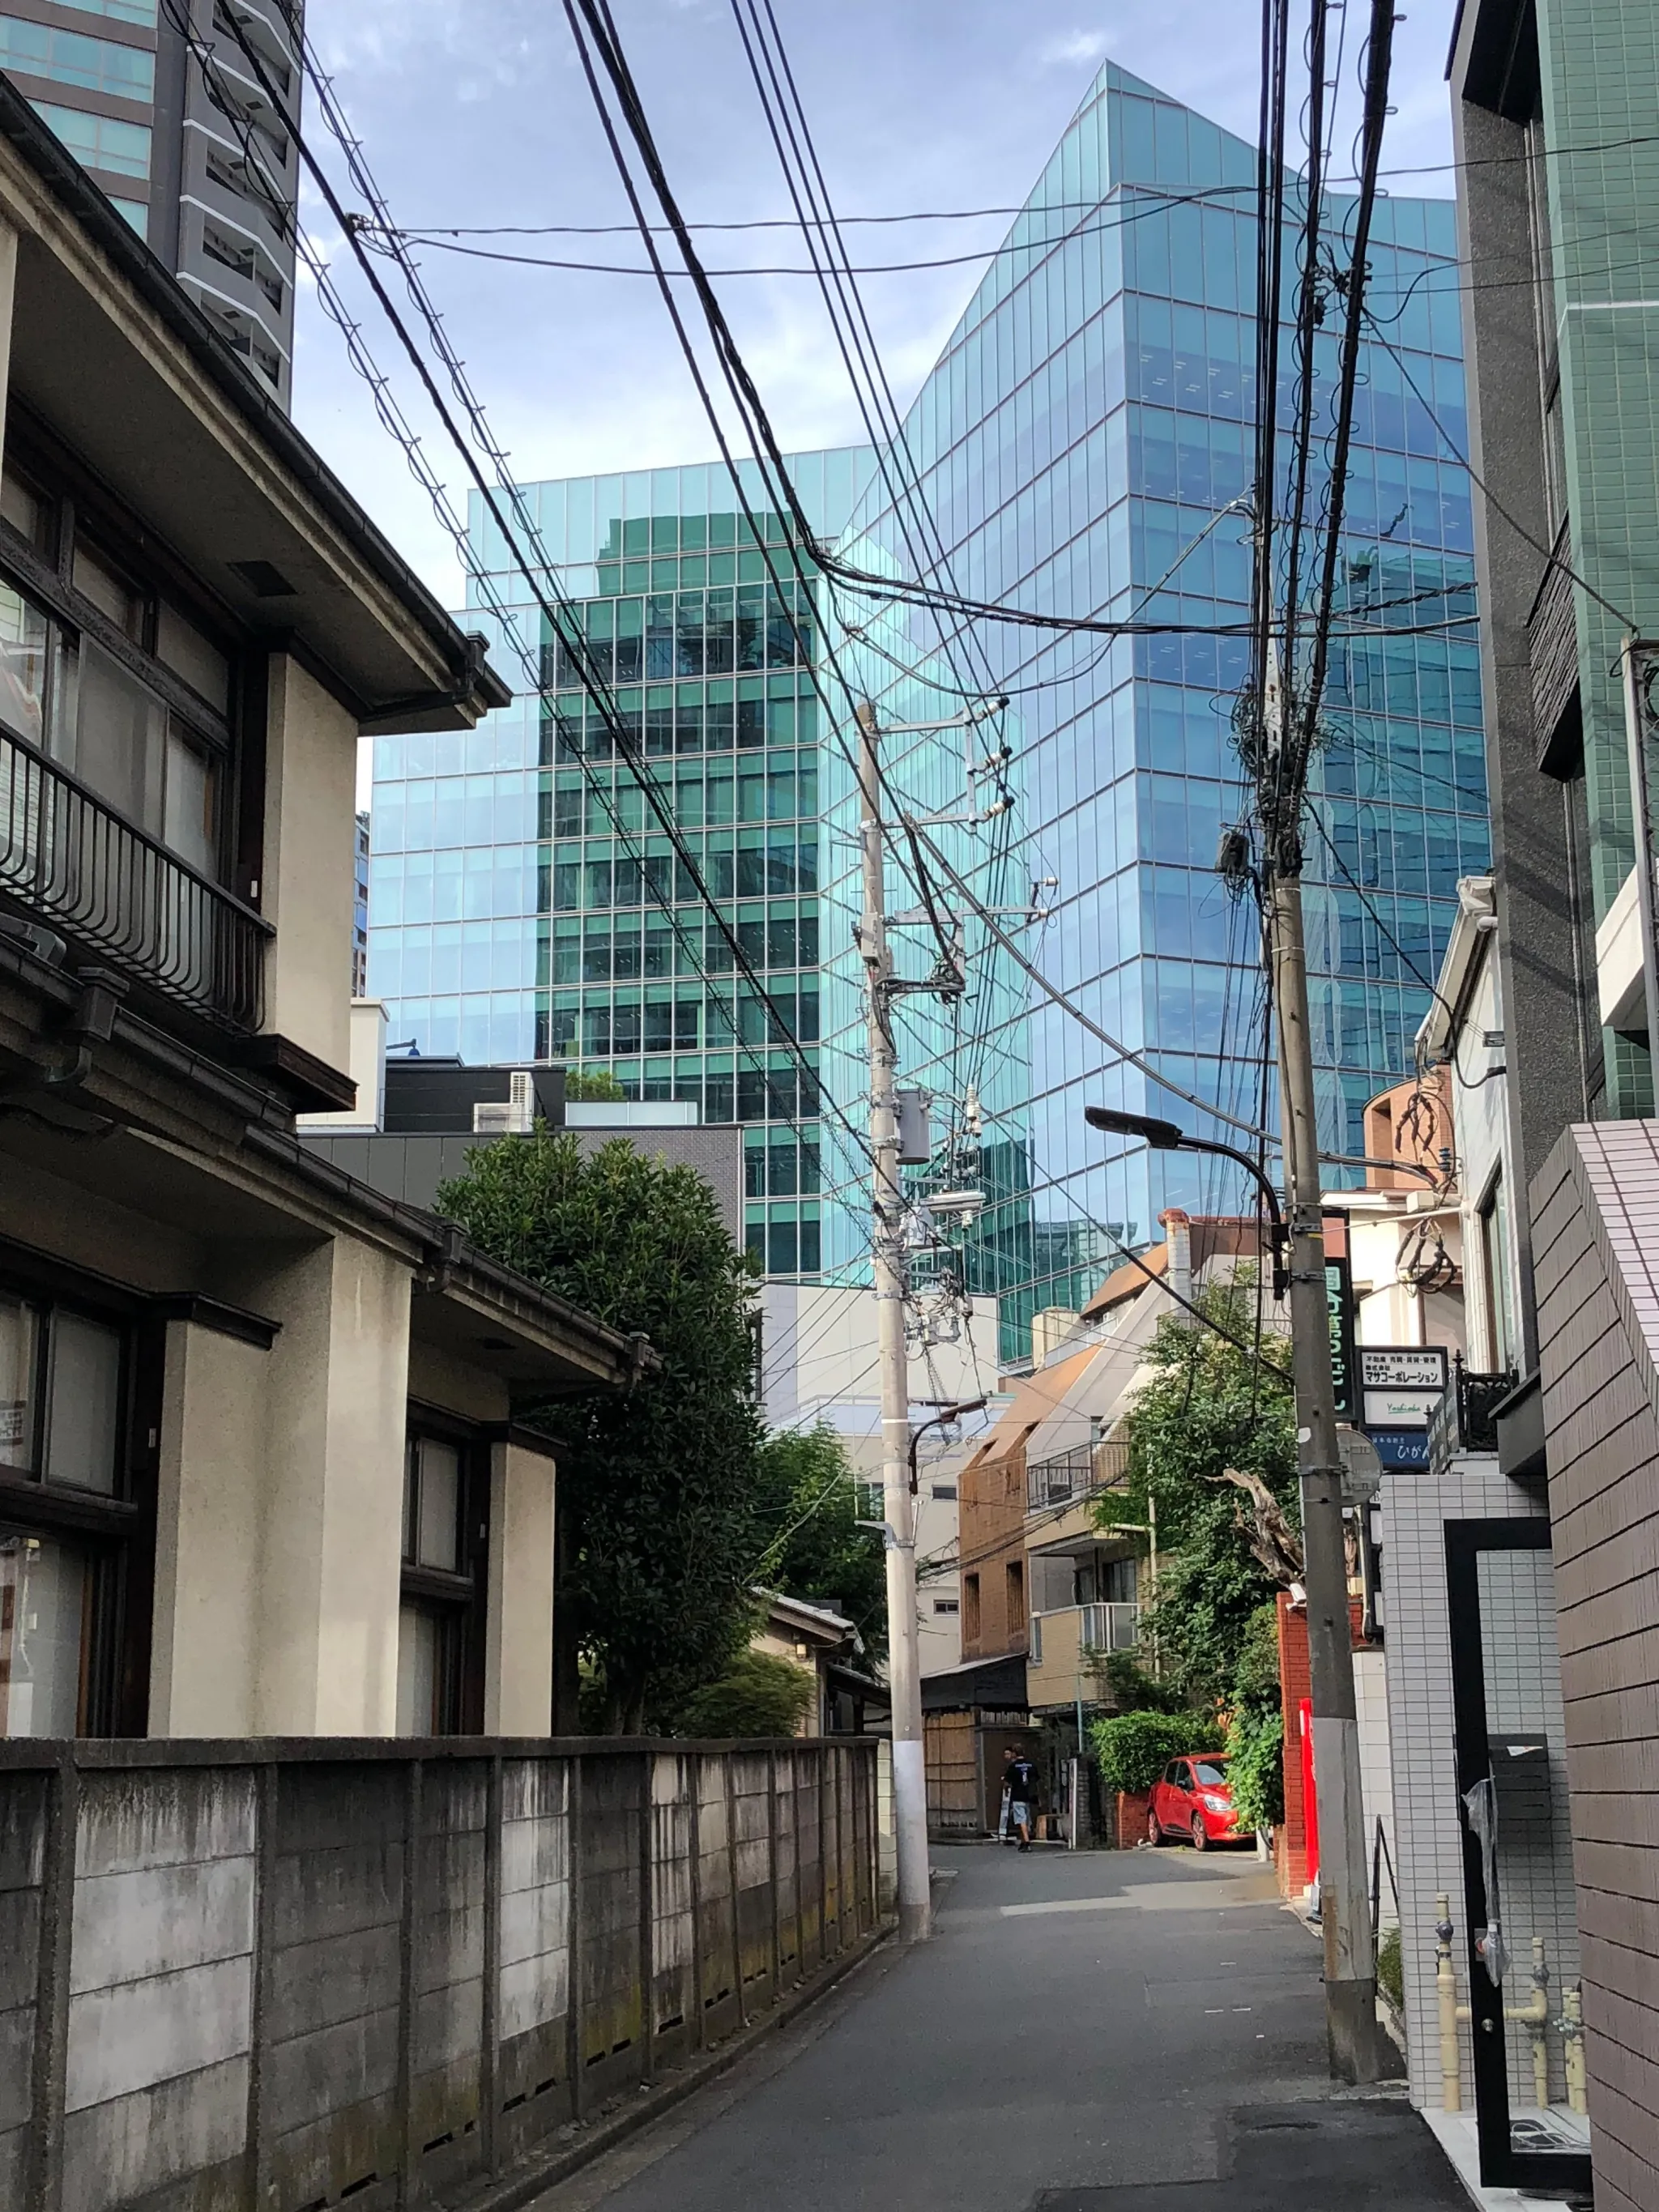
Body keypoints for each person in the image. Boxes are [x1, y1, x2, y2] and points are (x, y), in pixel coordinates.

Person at [1003, 1746, 1038, 1852]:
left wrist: (1006, 1789)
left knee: (1021, 1819)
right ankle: (1023, 1842)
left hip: (1017, 1795)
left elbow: (1007, 1782)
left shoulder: (1013, 1766)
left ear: (1014, 1754)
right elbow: (1036, 1779)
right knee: (1026, 1819)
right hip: (1028, 1795)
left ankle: (1027, 1842)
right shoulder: (1031, 1765)